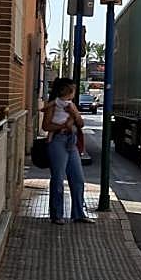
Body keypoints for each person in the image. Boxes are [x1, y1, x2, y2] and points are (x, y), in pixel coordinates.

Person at [41, 77, 91, 225]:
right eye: (73, 90)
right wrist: (63, 127)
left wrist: (74, 114)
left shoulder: (71, 105)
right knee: (58, 178)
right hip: (57, 141)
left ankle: (78, 214)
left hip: (72, 141)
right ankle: (57, 214)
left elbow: (81, 124)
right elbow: (46, 126)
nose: (74, 93)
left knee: (78, 178)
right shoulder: (53, 105)